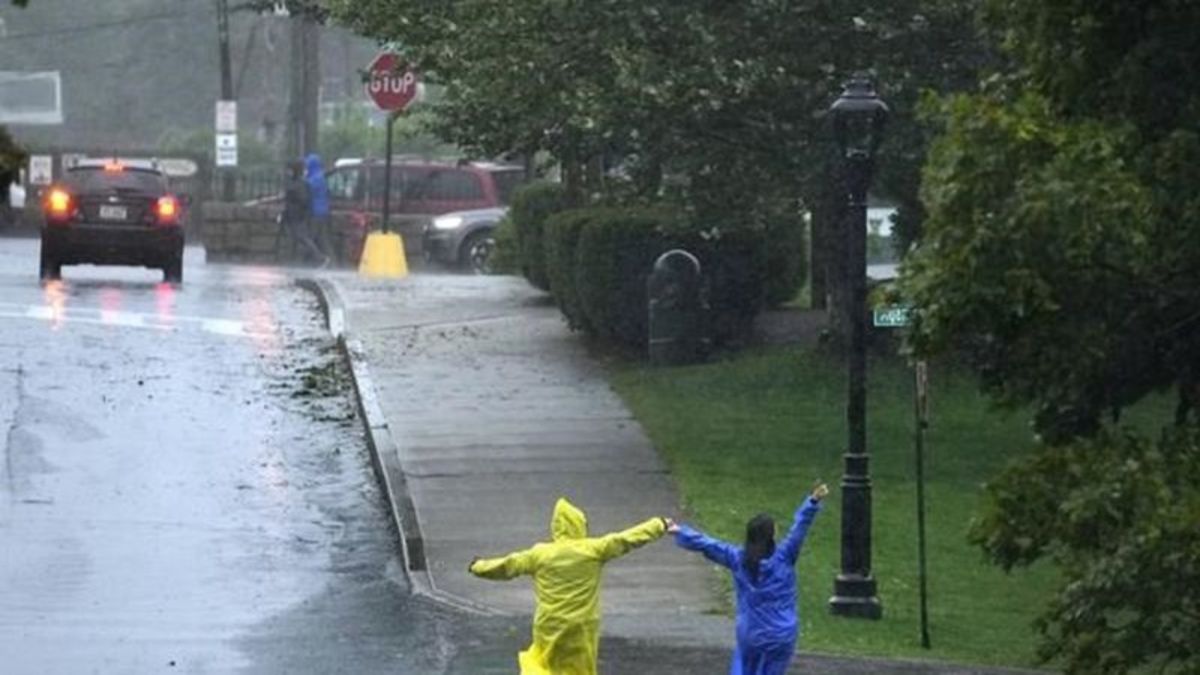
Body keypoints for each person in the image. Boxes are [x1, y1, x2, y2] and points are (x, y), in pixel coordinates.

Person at [468, 497, 670, 675]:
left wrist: (478, 566)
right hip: (582, 627)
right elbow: (627, 539)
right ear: (580, 525)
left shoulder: (540, 554)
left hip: (549, 624)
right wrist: (659, 524)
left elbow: (507, 566)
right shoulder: (594, 550)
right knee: (580, 670)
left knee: (544, 664)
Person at [668, 482, 829, 675]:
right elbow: (799, 528)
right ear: (771, 535)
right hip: (782, 633)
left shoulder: (738, 559)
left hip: (751, 633)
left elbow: (708, 544)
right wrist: (812, 501)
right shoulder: (785, 556)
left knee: (744, 669)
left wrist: (679, 531)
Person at [281, 160, 328, 267]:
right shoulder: (302, 182)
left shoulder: (300, 184)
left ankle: (320, 258)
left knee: (303, 237)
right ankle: (297, 260)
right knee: (299, 237)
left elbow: (302, 199)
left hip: (298, 215)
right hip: (297, 215)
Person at [304, 153, 335, 263]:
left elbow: (307, 190)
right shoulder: (319, 176)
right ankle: (332, 262)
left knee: (309, 238)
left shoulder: (314, 178)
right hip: (323, 211)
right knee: (323, 239)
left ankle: (317, 260)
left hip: (315, 212)